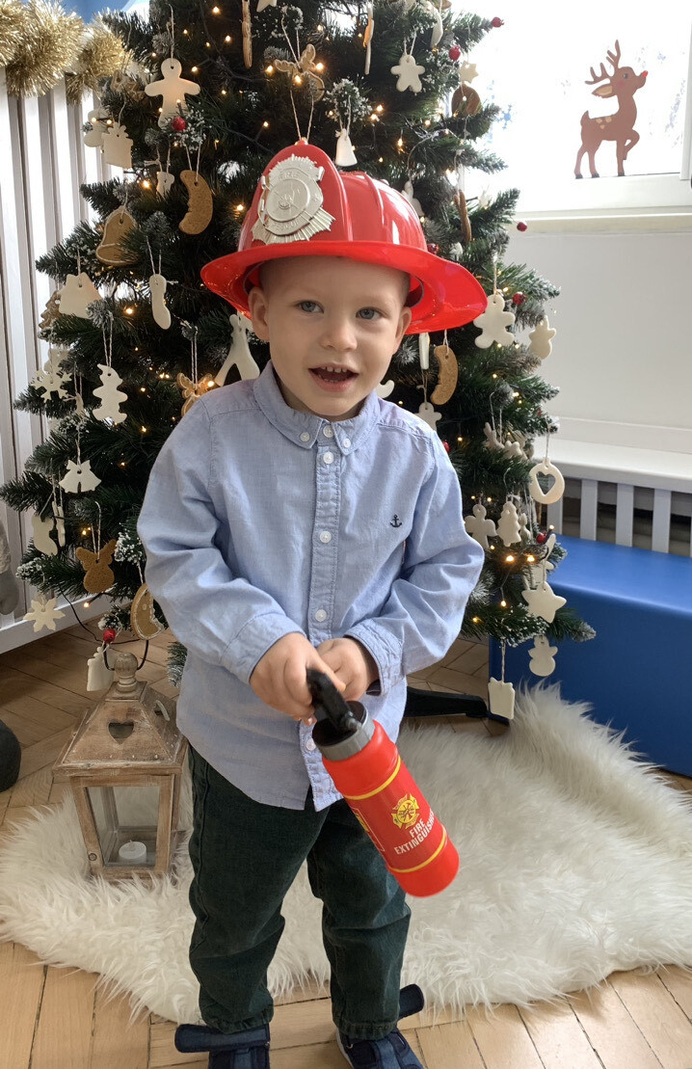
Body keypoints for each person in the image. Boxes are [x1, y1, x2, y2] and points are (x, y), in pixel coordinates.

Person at [137, 143, 487, 1069]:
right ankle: (235, 1026)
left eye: (370, 313)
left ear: (405, 324)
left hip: (368, 757)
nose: (340, 339)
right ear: (257, 310)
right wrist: (260, 640)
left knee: (372, 904)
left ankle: (371, 1025)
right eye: (309, 308)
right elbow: (177, 555)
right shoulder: (209, 438)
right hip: (244, 751)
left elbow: (445, 571)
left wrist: (372, 650)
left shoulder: (416, 455)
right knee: (234, 909)